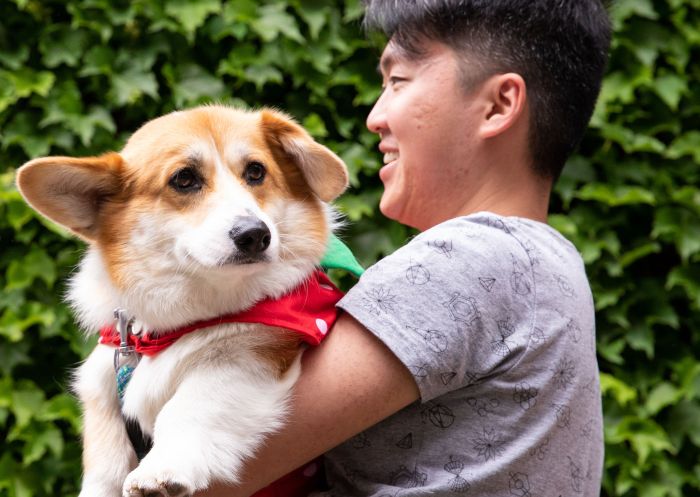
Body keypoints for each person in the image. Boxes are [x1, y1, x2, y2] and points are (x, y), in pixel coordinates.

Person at [200, 0, 611, 495]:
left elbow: (202, 472)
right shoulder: (551, 261)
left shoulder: (469, 258)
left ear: (499, 105)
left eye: (397, 81)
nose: (375, 117)